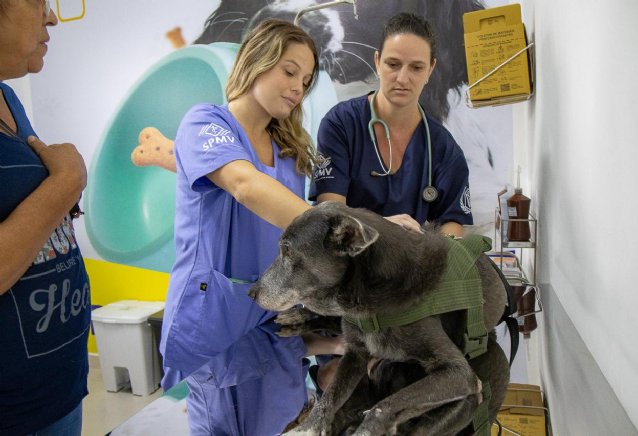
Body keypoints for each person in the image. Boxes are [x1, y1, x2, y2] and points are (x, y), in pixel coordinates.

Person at [159, 19, 344, 436]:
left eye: (307, 79)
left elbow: (293, 226)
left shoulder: (289, 149)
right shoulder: (204, 123)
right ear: (255, 62)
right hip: (217, 319)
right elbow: (244, 185)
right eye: (289, 71)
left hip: (272, 316)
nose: (298, 87)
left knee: (283, 419)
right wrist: (336, 232)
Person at [308, 12, 474, 390]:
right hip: (346, 287)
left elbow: (452, 225)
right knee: (340, 384)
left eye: (416, 67)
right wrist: (383, 232)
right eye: (394, 64)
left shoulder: (444, 149)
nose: (403, 78)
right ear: (377, 61)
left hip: (404, 295)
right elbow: (329, 213)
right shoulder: (341, 125)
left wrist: (435, 252)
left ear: (431, 69)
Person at [0, 1, 91, 435]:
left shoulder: (8, 95)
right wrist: (66, 182)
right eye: (39, 2)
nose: (52, 16)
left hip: (56, 390)